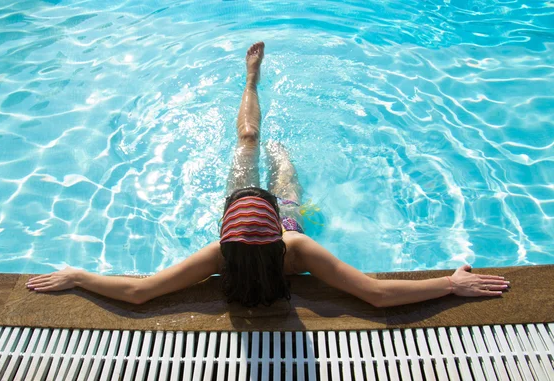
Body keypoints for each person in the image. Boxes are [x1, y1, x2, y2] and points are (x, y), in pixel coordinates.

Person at [26, 42, 509, 307]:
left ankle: (251, 84)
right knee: (282, 167)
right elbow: (376, 295)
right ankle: (261, 109)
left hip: (250, 217)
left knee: (248, 141)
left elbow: (139, 292)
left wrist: (77, 275)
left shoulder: (221, 251)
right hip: (287, 216)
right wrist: (450, 284)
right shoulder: (293, 242)